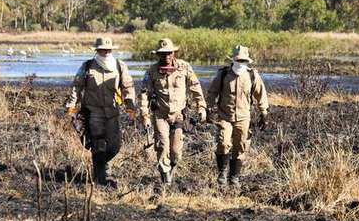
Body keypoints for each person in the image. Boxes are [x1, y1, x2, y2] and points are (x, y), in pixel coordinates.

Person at [65, 36, 136, 186]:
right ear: (97, 50)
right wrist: (71, 106)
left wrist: (131, 106)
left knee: (114, 147)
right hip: (93, 112)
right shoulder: (87, 66)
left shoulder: (119, 65)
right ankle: (100, 178)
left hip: (112, 112)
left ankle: (99, 169)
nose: (105, 52)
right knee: (98, 146)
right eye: (102, 50)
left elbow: (128, 87)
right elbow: (76, 86)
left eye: (108, 50)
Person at [139, 38, 206, 185]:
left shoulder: (184, 67)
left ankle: (171, 169)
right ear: (158, 55)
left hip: (178, 115)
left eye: (169, 53)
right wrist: (144, 115)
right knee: (162, 146)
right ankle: (165, 179)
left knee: (176, 152)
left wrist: (201, 106)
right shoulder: (151, 71)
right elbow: (144, 93)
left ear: (173, 53)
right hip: (160, 115)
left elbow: (195, 86)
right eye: (163, 54)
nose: (166, 56)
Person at [207, 45, 269, 188]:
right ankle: (222, 174)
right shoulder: (223, 74)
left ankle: (234, 178)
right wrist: (208, 109)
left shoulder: (252, 75)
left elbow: (261, 94)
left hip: (243, 117)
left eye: (243, 60)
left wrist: (263, 113)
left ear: (247, 61)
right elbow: (212, 92)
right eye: (238, 59)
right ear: (233, 59)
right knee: (223, 143)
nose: (240, 62)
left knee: (240, 146)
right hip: (224, 116)